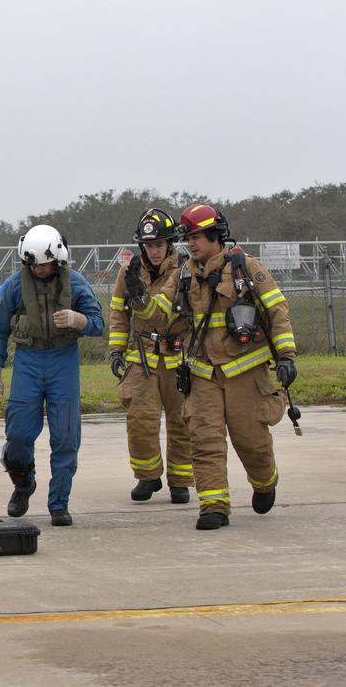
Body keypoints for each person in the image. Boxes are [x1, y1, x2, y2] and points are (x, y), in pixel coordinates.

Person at [161, 203, 297, 530]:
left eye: (196, 236)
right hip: (203, 373)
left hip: (245, 373)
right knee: (204, 440)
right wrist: (141, 301)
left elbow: (277, 311)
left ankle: (265, 480)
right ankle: (213, 506)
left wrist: (286, 356)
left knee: (251, 440)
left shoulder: (246, 268)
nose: (191, 243)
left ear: (214, 235)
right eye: (187, 237)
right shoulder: (182, 275)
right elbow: (160, 312)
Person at [0, 224, 104, 526]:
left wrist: (78, 320)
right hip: (28, 360)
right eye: (34, 264)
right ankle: (23, 484)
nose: (40, 269)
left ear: (58, 259)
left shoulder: (76, 284)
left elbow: (98, 323)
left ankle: (59, 504)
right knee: (18, 434)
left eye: (45, 263)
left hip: (63, 361)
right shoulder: (13, 286)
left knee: (65, 438)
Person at [109, 208, 194, 504]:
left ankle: (180, 481)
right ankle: (148, 477)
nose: (154, 251)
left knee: (182, 420)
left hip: (177, 355)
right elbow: (119, 313)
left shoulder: (186, 269)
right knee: (140, 419)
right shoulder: (128, 272)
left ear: (169, 243)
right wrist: (117, 350)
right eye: (148, 245)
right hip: (142, 356)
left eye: (159, 245)